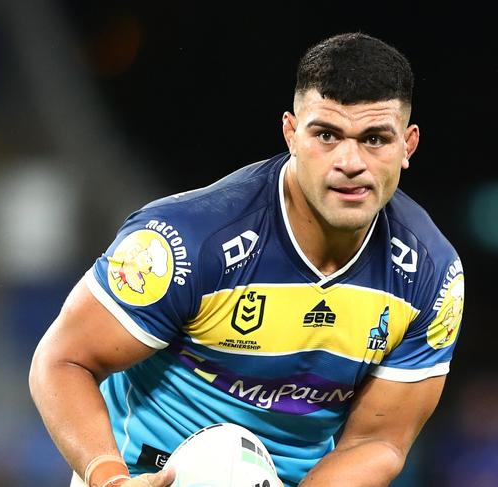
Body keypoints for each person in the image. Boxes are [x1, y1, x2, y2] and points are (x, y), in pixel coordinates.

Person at [29, 32, 465, 487]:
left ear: (408, 145)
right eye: (327, 135)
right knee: (223, 464)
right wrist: (108, 478)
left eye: (375, 139)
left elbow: (378, 442)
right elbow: (61, 361)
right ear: (291, 134)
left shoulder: (430, 274)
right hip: (141, 475)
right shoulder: (184, 242)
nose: (351, 161)